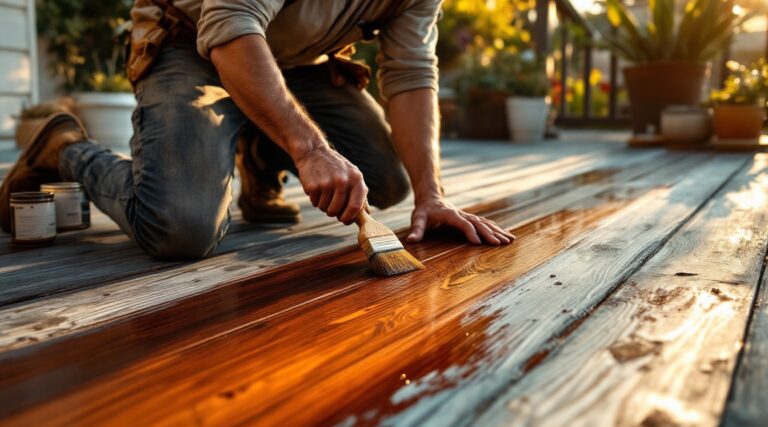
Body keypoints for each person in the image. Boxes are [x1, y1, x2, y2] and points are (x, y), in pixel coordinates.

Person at [0, 0, 514, 259]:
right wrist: (310, 149)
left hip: (298, 62)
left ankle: (256, 149)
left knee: (386, 179)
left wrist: (432, 193)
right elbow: (230, 22)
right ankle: (67, 149)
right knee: (181, 227)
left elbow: (410, 74)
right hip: (192, 37)